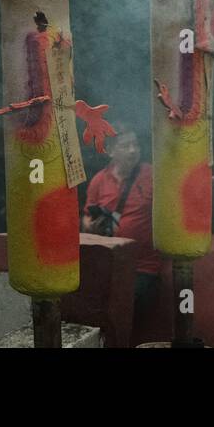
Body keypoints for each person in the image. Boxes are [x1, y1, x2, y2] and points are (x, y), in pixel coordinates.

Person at [81, 128, 163, 316]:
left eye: (135, 144)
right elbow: (87, 215)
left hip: (143, 266)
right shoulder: (99, 181)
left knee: (121, 312)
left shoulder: (153, 175)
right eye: (126, 146)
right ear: (110, 150)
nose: (133, 150)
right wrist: (89, 226)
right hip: (109, 265)